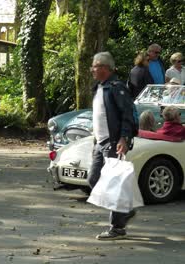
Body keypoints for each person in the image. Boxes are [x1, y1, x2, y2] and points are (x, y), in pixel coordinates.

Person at [88, 51, 136, 240]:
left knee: (112, 184)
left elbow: (127, 114)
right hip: (100, 143)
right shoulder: (99, 87)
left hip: (113, 143)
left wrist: (124, 138)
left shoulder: (116, 88)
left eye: (95, 65)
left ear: (105, 68)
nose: (92, 69)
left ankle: (117, 227)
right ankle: (124, 211)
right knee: (94, 180)